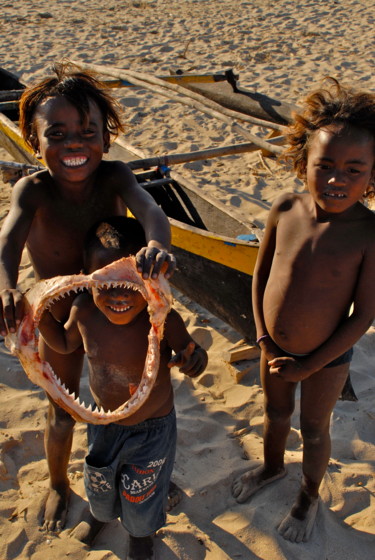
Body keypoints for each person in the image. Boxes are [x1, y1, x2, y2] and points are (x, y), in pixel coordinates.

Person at [0, 62, 176, 532]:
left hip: (116, 312)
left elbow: (152, 212)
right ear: (34, 142)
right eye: (56, 134)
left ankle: (147, 469)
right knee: (62, 408)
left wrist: (157, 243)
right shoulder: (31, 190)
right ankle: (59, 484)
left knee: (134, 395)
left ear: (106, 136)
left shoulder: (116, 177)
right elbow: (8, 243)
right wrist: (7, 288)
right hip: (60, 320)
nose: (74, 144)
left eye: (87, 131)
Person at [232, 78, 375, 543]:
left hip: (326, 360)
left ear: (373, 174)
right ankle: (273, 467)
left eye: (355, 170)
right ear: (302, 162)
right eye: (325, 165)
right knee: (274, 415)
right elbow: (260, 277)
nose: (337, 179)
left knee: (314, 429)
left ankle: (309, 496)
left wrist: (311, 363)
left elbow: (363, 315)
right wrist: (263, 339)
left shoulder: (367, 234)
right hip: (271, 348)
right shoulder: (285, 207)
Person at [38, 216, 208, 560]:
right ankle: (100, 516)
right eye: (106, 282)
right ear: (88, 278)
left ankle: (140, 535)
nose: (119, 293)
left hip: (153, 428)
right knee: (100, 482)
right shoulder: (83, 312)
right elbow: (62, 343)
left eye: (130, 281)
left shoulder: (162, 317)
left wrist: (194, 361)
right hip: (103, 423)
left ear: (148, 278)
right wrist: (35, 315)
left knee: (141, 491)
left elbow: (193, 355)